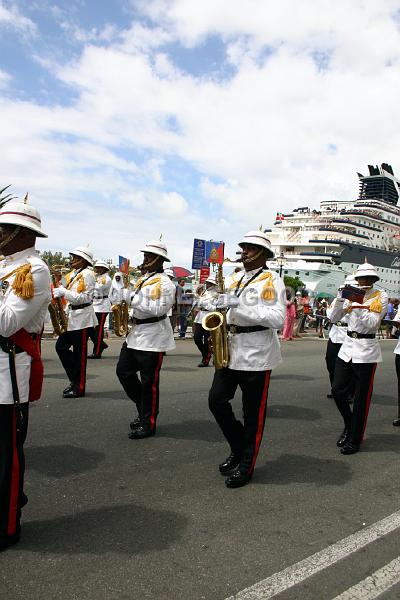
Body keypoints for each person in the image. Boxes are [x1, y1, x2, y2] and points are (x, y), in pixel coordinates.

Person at [203, 230, 286, 488]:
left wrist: (238, 304)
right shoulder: (234, 277)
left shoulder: (272, 280)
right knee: (216, 401)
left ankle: (247, 464)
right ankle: (239, 447)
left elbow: (277, 319)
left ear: (262, 253)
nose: (244, 252)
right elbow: (220, 304)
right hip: (230, 348)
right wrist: (210, 300)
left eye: (249, 248)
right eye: (243, 247)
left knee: (252, 414)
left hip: (257, 353)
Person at [0, 198, 51, 551]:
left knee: (6, 453)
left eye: (3, 229)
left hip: (8, 371)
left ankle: (7, 525)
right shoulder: (5, 266)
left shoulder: (33, 270)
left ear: (21, 234)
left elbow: (6, 325)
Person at [116, 239, 175, 439]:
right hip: (135, 333)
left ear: (160, 260)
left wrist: (130, 298)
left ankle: (148, 422)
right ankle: (144, 410)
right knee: (123, 372)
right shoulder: (143, 279)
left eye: (149, 256)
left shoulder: (165, 282)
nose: (145, 259)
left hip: (153, 335)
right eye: (145, 256)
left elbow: (159, 309)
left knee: (149, 382)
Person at [329, 261, 388, 454]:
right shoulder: (349, 296)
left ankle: (355, 439)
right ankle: (349, 424)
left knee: (362, 398)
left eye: (369, 278)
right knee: (337, 390)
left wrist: (358, 305)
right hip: (347, 347)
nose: (365, 281)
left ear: (373, 280)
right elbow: (334, 319)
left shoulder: (381, 296)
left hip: (366, 350)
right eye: (362, 278)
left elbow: (372, 324)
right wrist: (340, 300)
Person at [53, 246, 97, 398]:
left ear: (83, 260)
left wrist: (64, 292)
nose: (71, 260)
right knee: (61, 347)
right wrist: (57, 282)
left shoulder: (88, 274)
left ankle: (79, 386)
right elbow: (61, 286)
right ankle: (74, 379)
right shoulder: (72, 273)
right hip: (71, 315)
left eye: (74, 258)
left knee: (80, 354)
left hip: (83, 316)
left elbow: (85, 297)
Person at [325, 275, 355, 400]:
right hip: (335, 334)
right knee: (330, 362)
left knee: (348, 366)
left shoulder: (357, 301)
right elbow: (330, 314)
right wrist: (339, 301)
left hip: (348, 334)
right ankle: (335, 388)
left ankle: (349, 392)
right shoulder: (338, 300)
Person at [88, 260, 111, 359]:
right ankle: (100, 344)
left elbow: (98, 288)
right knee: (90, 328)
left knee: (98, 329)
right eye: (96, 267)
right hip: (94, 304)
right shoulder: (96, 277)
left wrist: (90, 282)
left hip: (102, 306)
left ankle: (97, 352)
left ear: (104, 269)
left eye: (99, 267)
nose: (97, 269)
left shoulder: (107, 278)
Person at [193, 275, 217, 367]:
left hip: (209, 317)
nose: (207, 284)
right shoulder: (204, 292)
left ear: (212, 284)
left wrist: (204, 304)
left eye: (209, 283)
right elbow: (199, 305)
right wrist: (198, 301)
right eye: (207, 282)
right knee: (197, 338)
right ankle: (206, 354)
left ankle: (205, 359)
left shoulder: (216, 294)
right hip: (200, 317)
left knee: (207, 340)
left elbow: (215, 308)